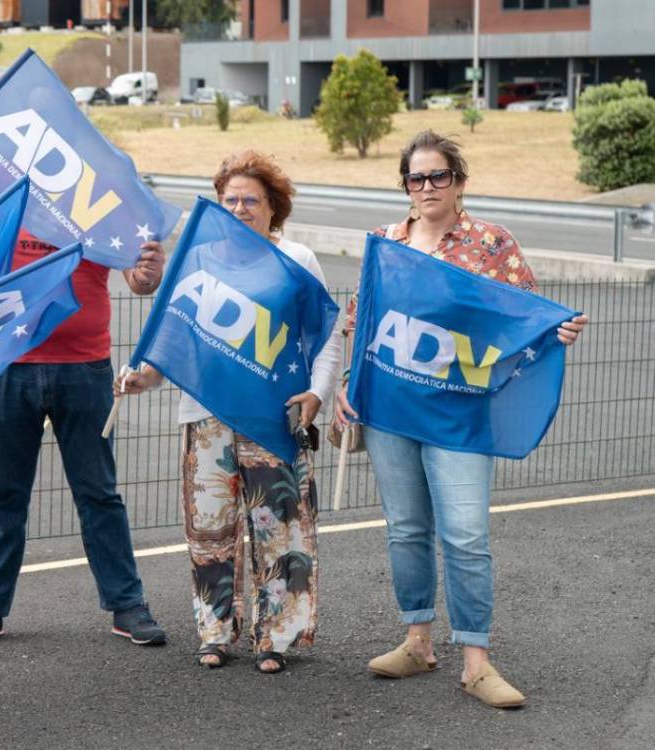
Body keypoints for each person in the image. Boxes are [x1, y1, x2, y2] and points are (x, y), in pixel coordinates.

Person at [334, 130, 588, 708]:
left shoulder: (491, 244)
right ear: (405, 185)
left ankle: (476, 662)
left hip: (461, 415)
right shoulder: (384, 243)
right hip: (391, 411)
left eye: (438, 176)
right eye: (416, 178)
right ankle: (417, 642)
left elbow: (528, 316)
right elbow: (362, 322)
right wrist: (349, 383)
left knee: (467, 536)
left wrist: (560, 330)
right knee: (406, 529)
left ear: (459, 182)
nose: (427, 186)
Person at [0, 171, 169, 649]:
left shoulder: (96, 196)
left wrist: (148, 273)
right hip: (6, 365)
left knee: (98, 493)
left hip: (85, 367)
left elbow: (139, 281)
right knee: (4, 495)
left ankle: (128, 604)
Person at [117, 151, 343, 673]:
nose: (239, 208)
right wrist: (143, 377)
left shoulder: (297, 260)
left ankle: (276, 638)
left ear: (273, 207)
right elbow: (174, 338)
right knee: (209, 531)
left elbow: (326, 336)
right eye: (230, 200)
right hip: (206, 416)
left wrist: (317, 393)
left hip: (274, 416)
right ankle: (215, 631)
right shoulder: (198, 259)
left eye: (251, 201)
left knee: (279, 529)